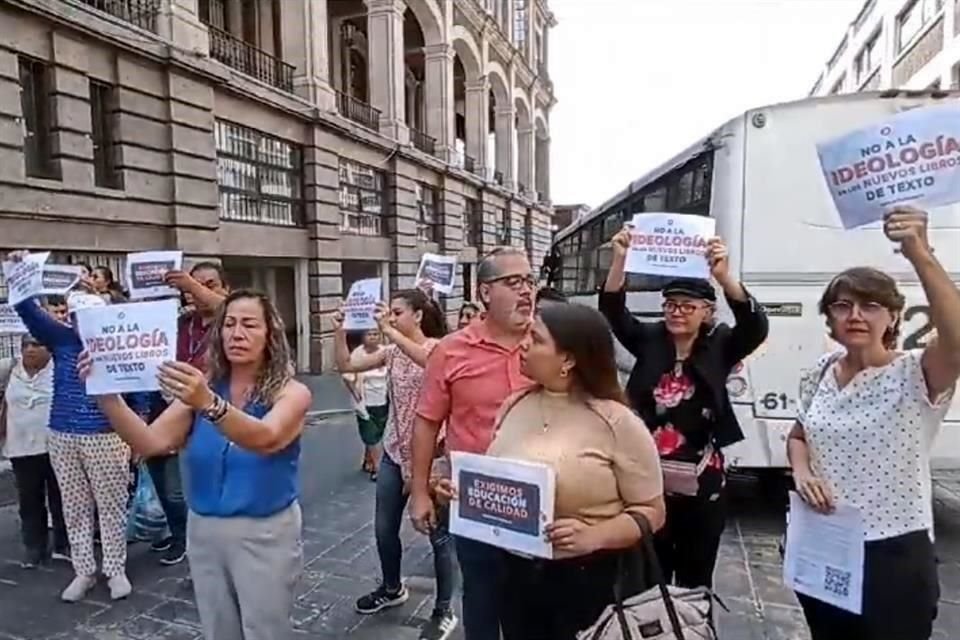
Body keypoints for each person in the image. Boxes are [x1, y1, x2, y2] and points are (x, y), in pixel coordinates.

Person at [78, 289, 311, 640]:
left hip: (265, 532)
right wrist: (106, 395)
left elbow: (265, 438)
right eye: (229, 324)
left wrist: (210, 405)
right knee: (219, 630)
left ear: (271, 336)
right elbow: (149, 442)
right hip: (204, 531)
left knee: (266, 630)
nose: (237, 333)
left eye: (249, 325)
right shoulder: (202, 391)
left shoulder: (291, 393)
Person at [787, 207, 960, 640]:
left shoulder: (915, 372)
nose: (856, 315)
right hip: (824, 542)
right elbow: (799, 435)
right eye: (842, 305)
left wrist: (919, 254)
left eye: (871, 305)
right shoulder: (821, 372)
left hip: (892, 553)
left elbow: (957, 341)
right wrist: (803, 473)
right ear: (829, 318)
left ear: (894, 317)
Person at [599, 227, 768, 590]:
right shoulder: (649, 339)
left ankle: (692, 620)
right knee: (648, 576)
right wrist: (620, 261)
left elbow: (755, 326)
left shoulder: (721, 343)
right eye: (670, 305)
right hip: (648, 479)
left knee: (695, 577)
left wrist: (724, 277)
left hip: (702, 481)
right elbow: (613, 311)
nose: (676, 312)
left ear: (707, 312)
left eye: (687, 306)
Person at [483, 303, 665, 639]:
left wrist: (595, 535)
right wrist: (465, 492)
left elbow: (652, 512)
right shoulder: (514, 405)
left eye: (536, 339)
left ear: (567, 359)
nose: (523, 344)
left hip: (592, 583)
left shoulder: (618, 422)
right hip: (517, 577)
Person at [410, 246, 538, 640]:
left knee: (531, 609)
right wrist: (420, 491)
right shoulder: (450, 351)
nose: (526, 290)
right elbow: (426, 422)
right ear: (484, 292)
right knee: (481, 601)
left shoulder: (549, 341)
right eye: (513, 282)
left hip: (542, 503)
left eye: (530, 281)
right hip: (477, 501)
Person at [7, 253, 149, 602]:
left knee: (112, 506)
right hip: (62, 434)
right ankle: (83, 570)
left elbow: (140, 391)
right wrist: (19, 271)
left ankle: (115, 569)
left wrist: (139, 434)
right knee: (74, 507)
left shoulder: (119, 343)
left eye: (89, 314)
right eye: (76, 315)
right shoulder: (63, 339)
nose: (82, 320)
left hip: (107, 435)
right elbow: (27, 310)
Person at [334, 289, 458, 640]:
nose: (390, 317)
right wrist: (340, 331)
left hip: (432, 456)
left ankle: (444, 608)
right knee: (384, 528)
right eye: (389, 312)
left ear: (418, 315)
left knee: (440, 537)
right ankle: (391, 588)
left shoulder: (438, 347)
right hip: (394, 450)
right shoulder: (391, 352)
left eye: (398, 312)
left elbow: (429, 362)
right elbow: (346, 366)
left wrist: (388, 331)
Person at [139, 262, 229, 566]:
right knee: (161, 478)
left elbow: (230, 308)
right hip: (164, 406)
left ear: (225, 288)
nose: (199, 291)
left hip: (208, 413)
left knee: (187, 486)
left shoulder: (231, 323)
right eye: (194, 284)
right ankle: (179, 533)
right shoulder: (179, 322)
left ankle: (199, 541)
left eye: (209, 284)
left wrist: (191, 284)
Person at [0, 333, 68, 567]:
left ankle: (63, 544)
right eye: (25, 345)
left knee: (61, 498)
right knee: (29, 500)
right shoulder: (10, 369)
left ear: (49, 349)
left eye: (36, 345)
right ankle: (34, 548)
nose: (29, 349)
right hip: (21, 447)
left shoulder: (60, 370)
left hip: (57, 446)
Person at [341, 328, 388, 480]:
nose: (373, 337)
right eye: (369, 334)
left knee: (379, 431)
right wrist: (355, 392)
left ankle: (369, 459)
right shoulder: (357, 354)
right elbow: (347, 375)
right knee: (370, 433)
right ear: (363, 337)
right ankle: (378, 468)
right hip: (365, 401)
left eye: (376, 334)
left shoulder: (386, 352)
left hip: (383, 400)